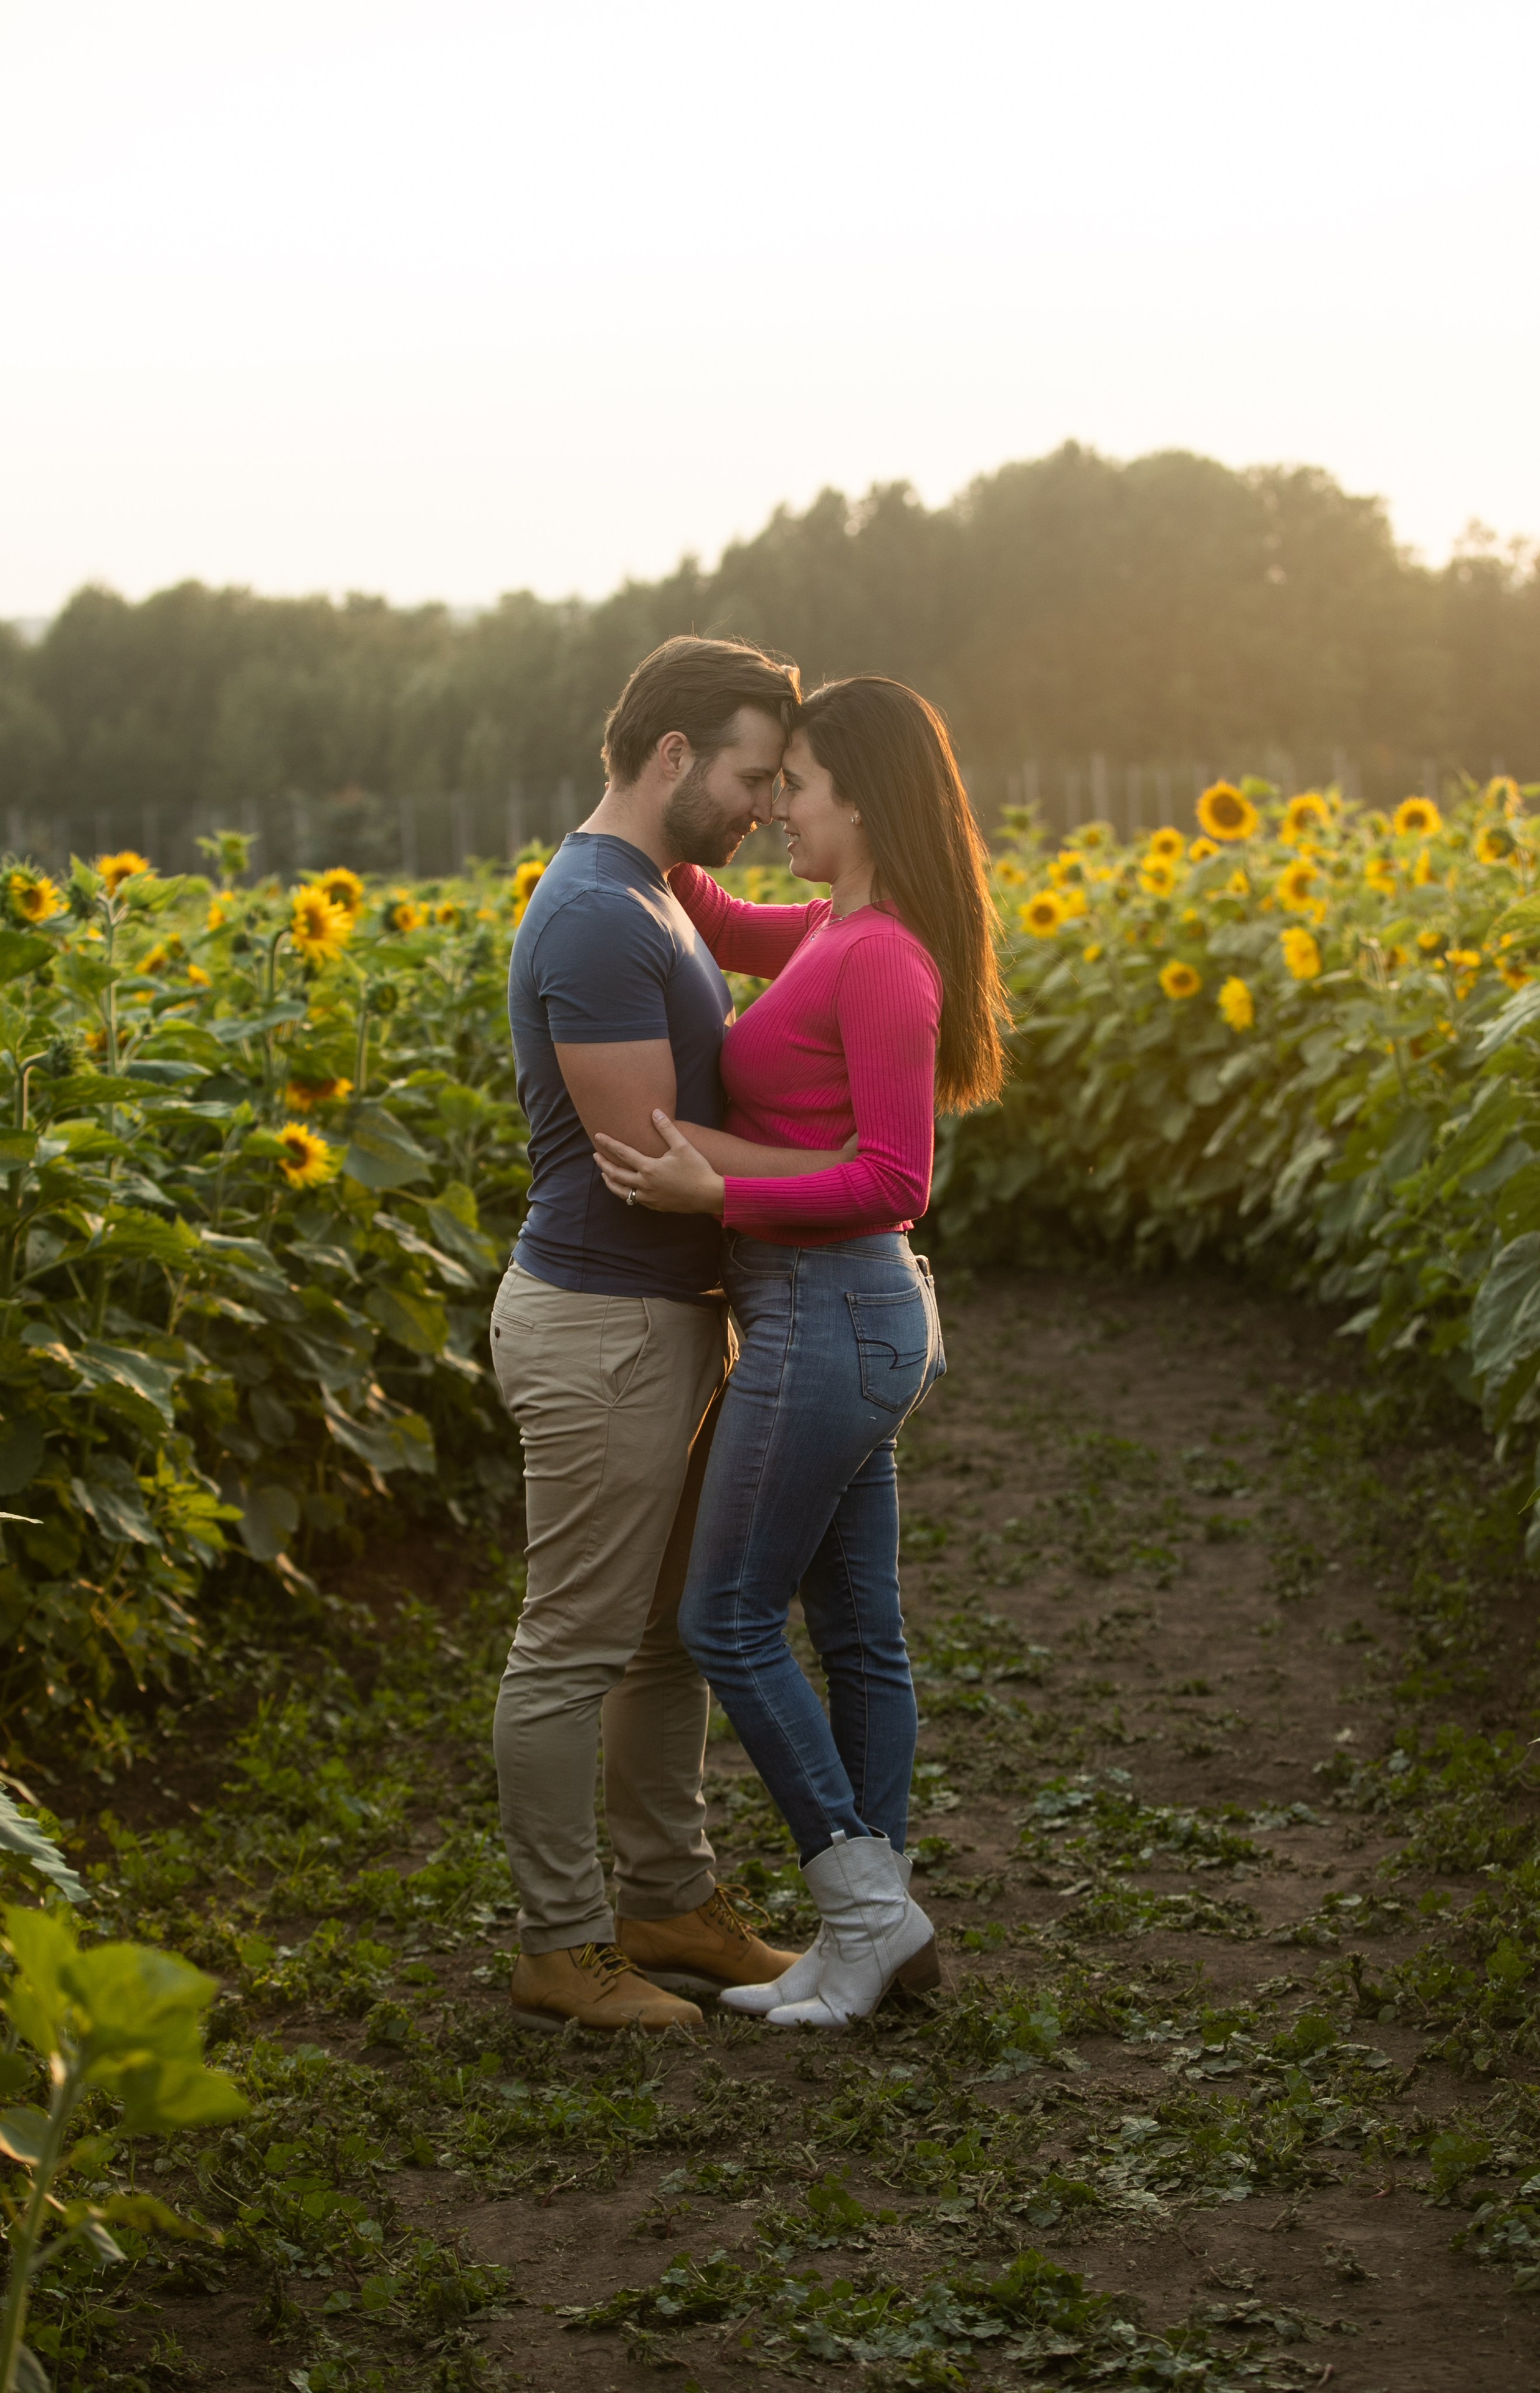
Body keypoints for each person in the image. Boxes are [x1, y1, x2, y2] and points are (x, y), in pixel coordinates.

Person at [593, 676, 1008, 2025]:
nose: (777, 810)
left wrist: (724, 1196)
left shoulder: (883, 955)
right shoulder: (834, 928)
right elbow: (703, 902)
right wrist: (633, 792)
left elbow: (896, 1178)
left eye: (801, 787)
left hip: (829, 1308)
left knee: (724, 1615)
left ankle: (865, 1911)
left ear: (864, 803)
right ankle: (860, 1940)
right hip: (828, 1314)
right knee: (853, 1631)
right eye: (768, 787)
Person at [494, 633, 863, 2033]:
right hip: (598, 1325)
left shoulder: (653, 893)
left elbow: (815, 936)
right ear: (670, 760)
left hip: (659, 1318)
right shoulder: (595, 913)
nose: (768, 806)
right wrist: (849, 1164)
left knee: (663, 1642)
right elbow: (640, 1150)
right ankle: (562, 1945)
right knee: (572, 1646)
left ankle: (665, 1901)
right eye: (752, 777)